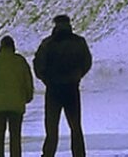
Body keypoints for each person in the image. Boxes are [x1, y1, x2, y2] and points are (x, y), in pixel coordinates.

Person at [33, 13, 93, 157]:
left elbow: (38, 65)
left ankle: (48, 154)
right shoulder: (78, 42)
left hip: (53, 89)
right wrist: (77, 76)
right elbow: (87, 62)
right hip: (72, 88)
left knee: (51, 129)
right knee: (75, 127)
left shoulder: (48, 43)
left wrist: (47, 80)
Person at [0, 35, 34, 157]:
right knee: (15, 137)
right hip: (16, 105)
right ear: (13, 47)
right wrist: (28, 97)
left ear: (0, 47)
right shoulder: (20, 61)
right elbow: (28, 82)